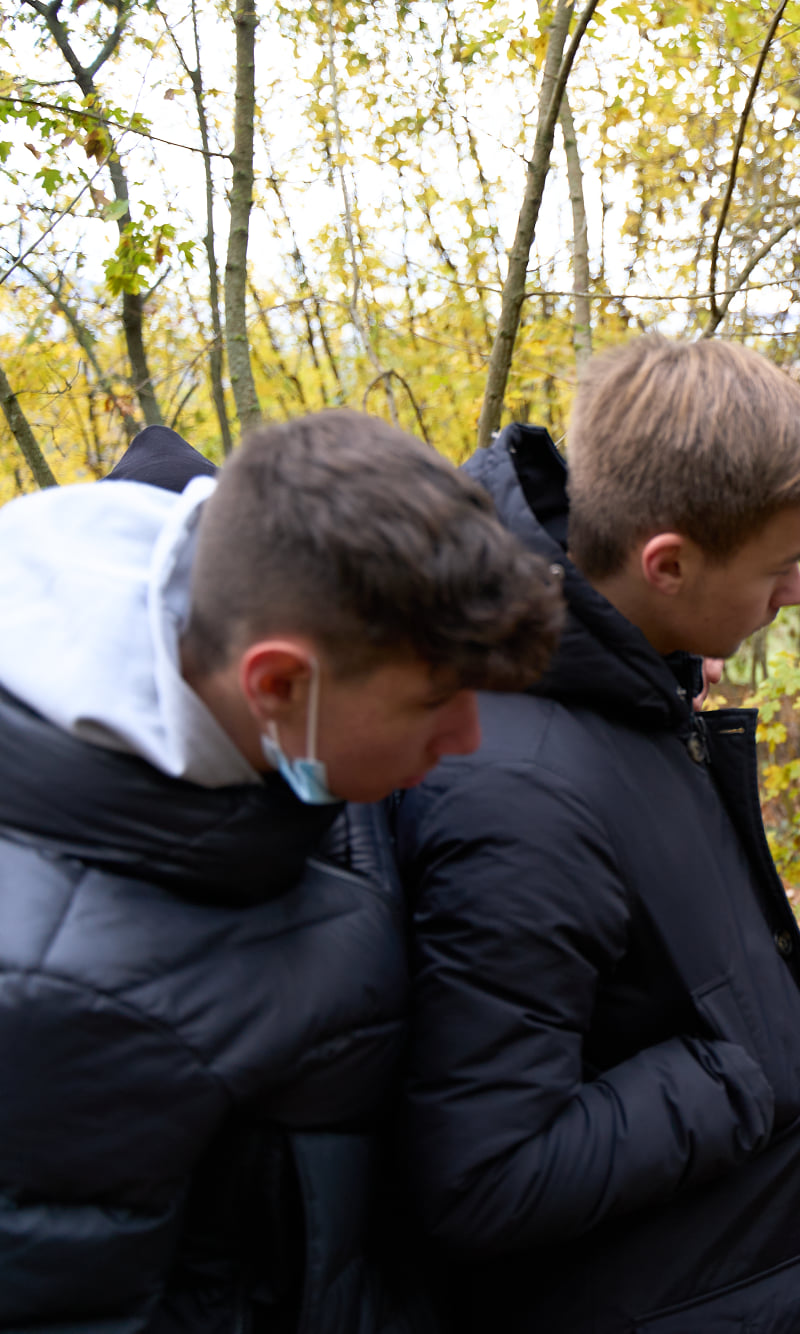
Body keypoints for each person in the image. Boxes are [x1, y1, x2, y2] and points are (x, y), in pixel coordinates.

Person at [0, 410, 563, 1332]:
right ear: (276, 685)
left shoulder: (261, 722)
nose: (466, 740)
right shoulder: (51, 999)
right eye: (435, 702)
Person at [391, 336, 800, 1333]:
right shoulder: (515, 793)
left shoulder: (637, 690)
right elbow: (485, 1176)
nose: (793, 595)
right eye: (781, 566)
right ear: (669, 562)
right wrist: (740, 1071)